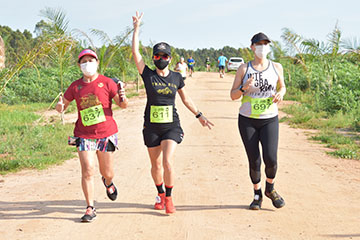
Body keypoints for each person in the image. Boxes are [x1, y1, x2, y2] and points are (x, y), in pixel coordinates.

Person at [132, 11, 214, 214]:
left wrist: (199, 115)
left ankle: (169, 198)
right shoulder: (148, 75)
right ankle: (159, 194)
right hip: (151, 126)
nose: (161, 58)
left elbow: (185, 99)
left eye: (164, 56)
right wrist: (136, 29)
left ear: (170, 58)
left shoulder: (177, 77)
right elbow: (135, 53)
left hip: (171, 126)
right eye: (157, 56)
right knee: (155, 165)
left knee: (168, 161)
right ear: (154, 57)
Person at [55, 49, 128, 222]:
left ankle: (108, 182)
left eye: (90, 60)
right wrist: (59, 107)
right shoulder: (75, 86)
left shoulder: (107, 82)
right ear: (79, 65)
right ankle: (90, 207)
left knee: (107, 172)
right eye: (84, 61)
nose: (87, 63)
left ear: (96, 63)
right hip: (84, 134)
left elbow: (123, 105)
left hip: (106, 134)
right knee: (88, 170)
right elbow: (62, 105)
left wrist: (123, 97)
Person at [230, 32, 286, 210]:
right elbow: (233, 95)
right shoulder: (243, 69)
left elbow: (282, 86)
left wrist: (281, 93)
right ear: (252, 47)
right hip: (248, 120)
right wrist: (243, 88)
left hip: (269, 119)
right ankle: (257, 194)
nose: (262, 47)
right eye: (259, 44)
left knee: (271, 159)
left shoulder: (276, 67)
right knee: (254, 160)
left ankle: (270, 189)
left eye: (265, 44)